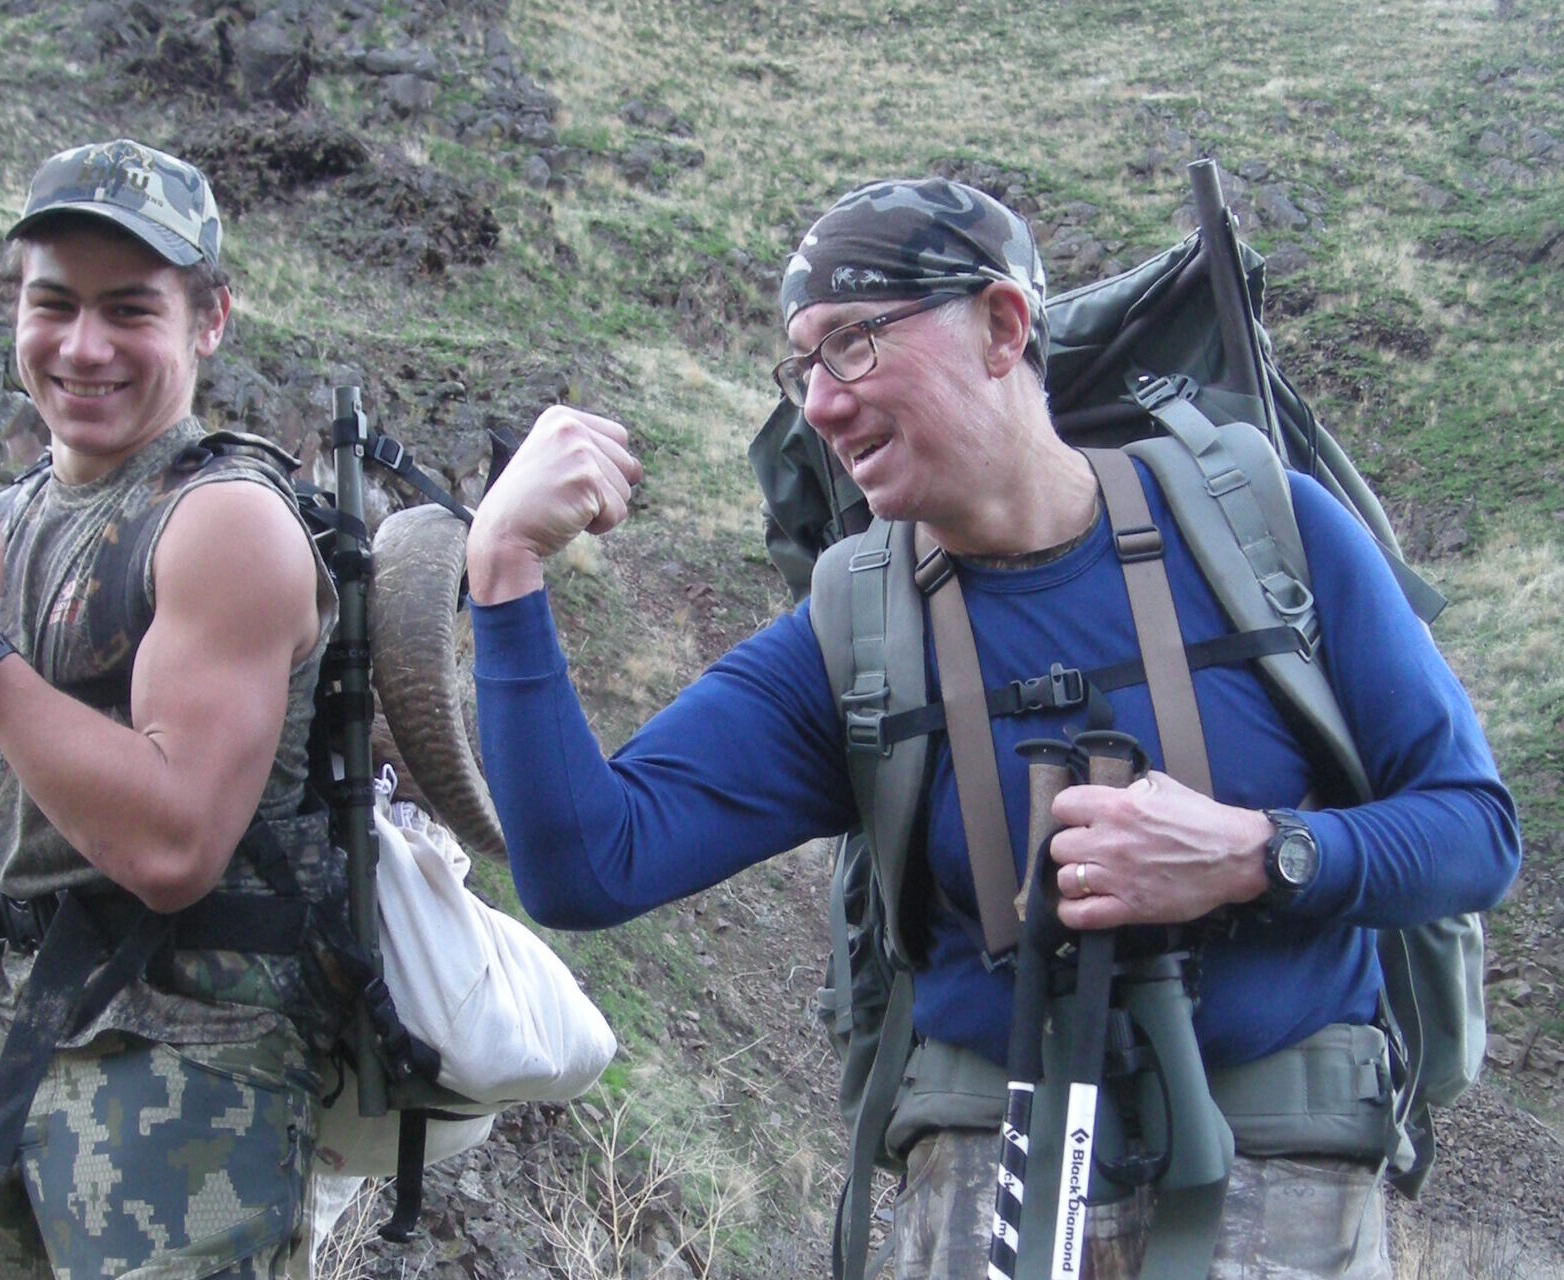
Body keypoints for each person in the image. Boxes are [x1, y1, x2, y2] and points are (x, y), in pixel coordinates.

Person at [464, 178, 1521, 1276]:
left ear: (1004, 326)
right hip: (988, 1190)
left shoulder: (1269, 533)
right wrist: (504, 570)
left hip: (1288, 1171)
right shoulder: (858, 630)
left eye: (856, 343)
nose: (820, 404)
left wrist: (1256, 853)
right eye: (804, 365)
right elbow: (586, 865)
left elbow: (1476, 833)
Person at [0, 139, 340, 1278]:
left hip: (183, 1077)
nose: (84, 345)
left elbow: (171, 842)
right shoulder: (7, 525)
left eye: (131, 309)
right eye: (52, 303)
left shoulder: (224, 524)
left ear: (209, 319)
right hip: (4, 1045)